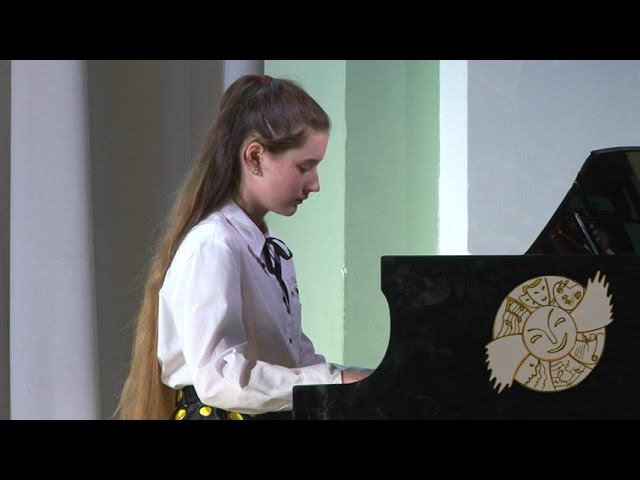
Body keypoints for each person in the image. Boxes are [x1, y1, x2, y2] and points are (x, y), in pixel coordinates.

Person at [116, 74, 370, 420]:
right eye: (305, 167)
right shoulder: (213, 246)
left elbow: (295, 361)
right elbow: (219, 378)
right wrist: (333, 380)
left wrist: (356, 380)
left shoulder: (271, 252)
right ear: (255, 157)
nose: (315, 184)